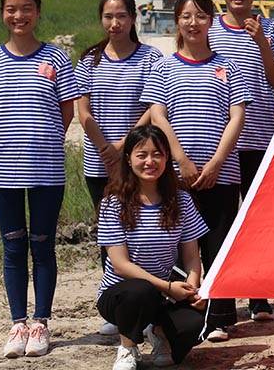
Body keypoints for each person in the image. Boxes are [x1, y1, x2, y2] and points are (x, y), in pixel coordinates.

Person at [0, 0, 80, 359]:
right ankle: (17, 322)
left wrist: (40, 140)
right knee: (13, 246)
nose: (19, 15)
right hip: (2, 172)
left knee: (42, 246)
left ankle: (41, 322)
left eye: (26, 8)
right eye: (11, 9)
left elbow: (67, 111)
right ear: (2, 14)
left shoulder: (56, 58)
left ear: (38, 12)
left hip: (47, 171)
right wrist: (8, 138)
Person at [143, 0, 249, 342]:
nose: (193, 23)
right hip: (175, 176)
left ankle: (219, 317)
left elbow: (237, 117)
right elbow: (158, 115)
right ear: (177, 22)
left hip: (222, 173)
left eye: (201, 16)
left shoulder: (229, 66)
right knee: (177, 247)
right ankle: (180, 318)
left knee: (218, 244)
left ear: (211, 21)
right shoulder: (163, 67)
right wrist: (180, 159)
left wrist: (217, 162)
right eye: (186, 16)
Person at [76, 0, 164, 336]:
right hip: (100, 164)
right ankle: (117, 309)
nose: (115, 23)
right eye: (108, 16)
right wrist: (106, 150)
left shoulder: (151, 57)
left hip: (141, 160)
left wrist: (124, 147)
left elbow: (154, 106)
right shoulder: (90, 60)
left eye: (121, 16)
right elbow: (83, 112)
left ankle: (153, 306)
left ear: (133, 18)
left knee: (147, 231)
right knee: (112, 234)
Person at [207, 0, 274, 322]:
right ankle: (221, 300)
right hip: (220, 145)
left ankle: (259, 296)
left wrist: (261, 41)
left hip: (258, 139)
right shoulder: (209, 29)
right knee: (222, 222)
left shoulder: (271, 29)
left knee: (257, 221)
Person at [97, 124, 209, 370]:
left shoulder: (182, 200)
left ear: (167, 158)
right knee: (139, 290)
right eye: (142, 155)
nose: (150, 161)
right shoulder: (113, 204)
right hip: (122, 295)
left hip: (165, 294)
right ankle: (128, 348)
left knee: (196, 321)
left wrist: (193, 289)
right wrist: (167, 287)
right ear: (129, 159)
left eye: (157, 154)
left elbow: (192, 257)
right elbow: (121, 265)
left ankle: (158, 332)